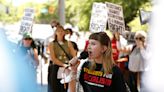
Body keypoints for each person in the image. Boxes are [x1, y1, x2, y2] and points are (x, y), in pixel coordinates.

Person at [48, 24, 77, 92]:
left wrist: (71, 64)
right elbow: (53, 58)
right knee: (55, 87)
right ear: (56, 32)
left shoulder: (68, 43)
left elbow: (74, 55)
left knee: (64, 87)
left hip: (66, 67)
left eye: (62, 31)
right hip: (56, 67)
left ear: (64, 32)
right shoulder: (52, 44)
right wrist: (63, 65)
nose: (60, 32)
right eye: (58, 31)